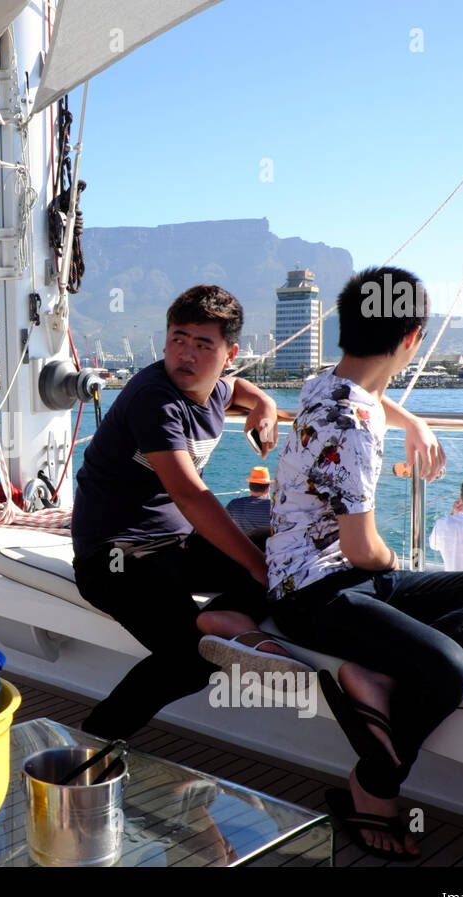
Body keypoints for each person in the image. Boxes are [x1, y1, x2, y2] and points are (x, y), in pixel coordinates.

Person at [265, 266, 463, 860]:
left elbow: (369, 396)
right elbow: (365, 551)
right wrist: (396, 561)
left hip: (346, 579)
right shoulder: (355, 424)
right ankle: (375, 785)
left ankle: (381, 675)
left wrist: (411, 419)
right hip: (313, 595)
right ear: (414, 338)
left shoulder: (324, 385)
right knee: (447, 670)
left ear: (345, 324)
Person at [71, 285, 288, 741]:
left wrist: (265, 404)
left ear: (229, 353)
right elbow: (191, 496)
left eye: (202, 344)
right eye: (177, 338)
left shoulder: (211, 388)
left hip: (176, 548)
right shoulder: (155, 398)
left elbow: (237, 389)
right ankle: (94, 740)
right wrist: (253, 564)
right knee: (196, 658)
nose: (185, 355)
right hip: (114, 557)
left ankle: (222, 616)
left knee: (289, 557)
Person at [225, 465, 273, 543]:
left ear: (250, 487)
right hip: (268, 548)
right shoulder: (274, 507)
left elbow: (226, 527)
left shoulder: (234, 504)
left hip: (243, 546)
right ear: (267, 490)